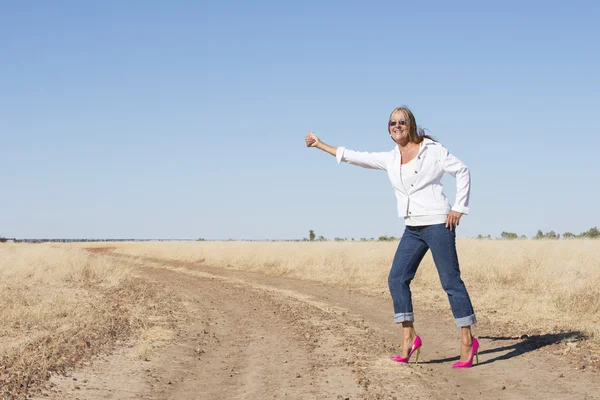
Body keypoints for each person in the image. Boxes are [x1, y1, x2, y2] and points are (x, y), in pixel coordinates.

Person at [304, 106, 479, 368]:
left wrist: (458, 207)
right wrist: (320, 145)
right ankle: (409, 336)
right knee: (397, 278)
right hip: (412, 228)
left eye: (402, 122)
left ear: (411, 125)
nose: (397, 126)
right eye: (392, 123)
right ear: (389, 128)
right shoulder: (390, 158)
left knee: (450, 282)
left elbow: (462, 170)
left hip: (438, 224)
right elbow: (356, 157)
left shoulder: (432, 150)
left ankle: (468, 340)